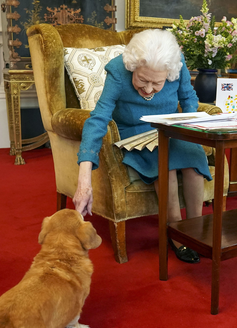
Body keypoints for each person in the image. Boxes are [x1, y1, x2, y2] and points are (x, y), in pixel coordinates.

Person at [73, 29, 210, 264]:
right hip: (134, 131)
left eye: (157, 83)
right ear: (133, 66)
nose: (148, 90)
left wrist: (190, 128)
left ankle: (195, 230)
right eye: (142, 80)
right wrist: (84, 178)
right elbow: (98, 118)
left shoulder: (177, 63)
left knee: (194, 162)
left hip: (171, 127)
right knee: (164, 166)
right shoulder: (118, 69)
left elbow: (188, 99)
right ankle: (176, 234)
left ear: (169, 72)